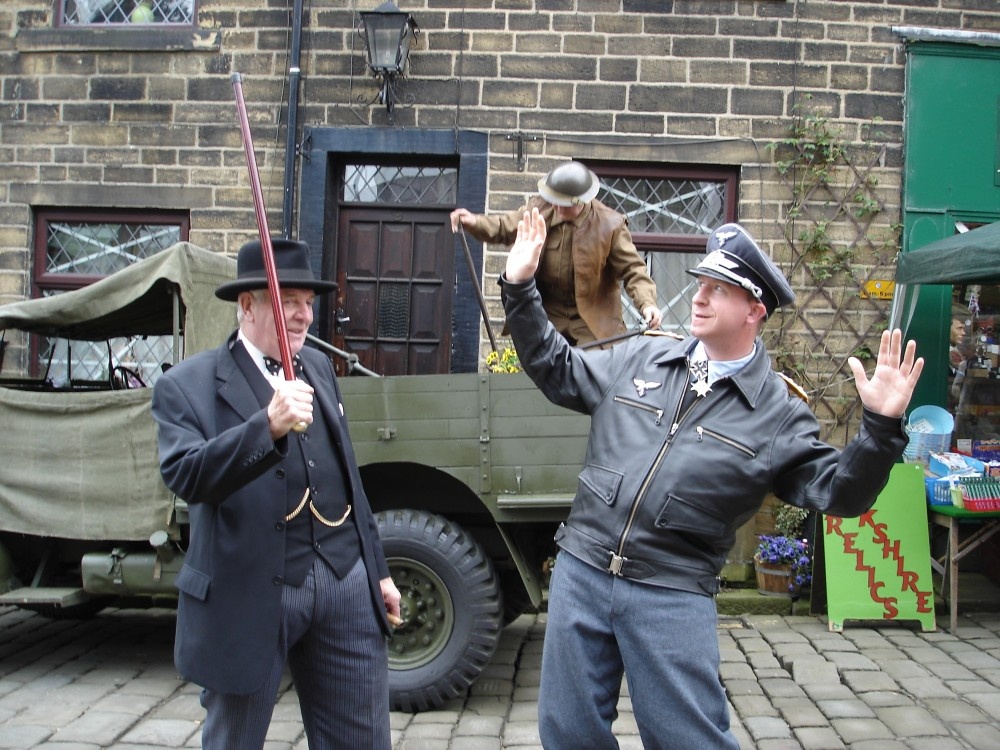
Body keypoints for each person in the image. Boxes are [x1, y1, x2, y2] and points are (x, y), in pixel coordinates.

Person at [500, 211, 924, 750]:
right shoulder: (642, 355)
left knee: (688, 739)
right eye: (701, 283)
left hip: (670, 592)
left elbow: (841, 494)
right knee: (567, 733)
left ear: (754, 309)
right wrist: (519, 287)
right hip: (581, 573)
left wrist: (882, 429)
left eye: (719, 289)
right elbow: (556, 367)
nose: (699, 297)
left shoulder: (778, 413)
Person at [151, 238, 401, 750]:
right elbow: (186, 474)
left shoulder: (318, 369)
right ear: (248, 305)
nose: (304, 315)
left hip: (343, 578)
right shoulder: (187, 385)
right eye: (289, 301)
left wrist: (376, 571)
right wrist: (264, 426)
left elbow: (349, 476)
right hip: (248, 587)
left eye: (309, 302)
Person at [450, 161, 663, 346]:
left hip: (593, 322)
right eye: (553, 201)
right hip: (547, 316)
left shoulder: (610, 225)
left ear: (580, 201)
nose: (556, 207)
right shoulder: (540, 210)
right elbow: (506, 227)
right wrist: (474, 222)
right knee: (541, 370)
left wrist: (648, 304)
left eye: (563, 204)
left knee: (591, 374)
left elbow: (633, 269)